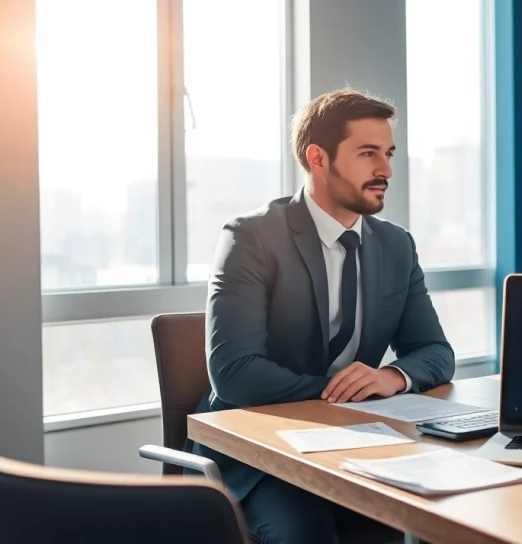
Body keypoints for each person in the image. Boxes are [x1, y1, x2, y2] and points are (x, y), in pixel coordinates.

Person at [185, 88, 456, 543]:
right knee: (309, 535)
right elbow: (234, 374)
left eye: (388, 154)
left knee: (412, 524)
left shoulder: (395, 245)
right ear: (318, 157)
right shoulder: (251, 238)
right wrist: (347, 395)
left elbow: (434, 351)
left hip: (360, 448)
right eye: (368, 153)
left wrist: (392, 378)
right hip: (262, 454)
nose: (386, 170)